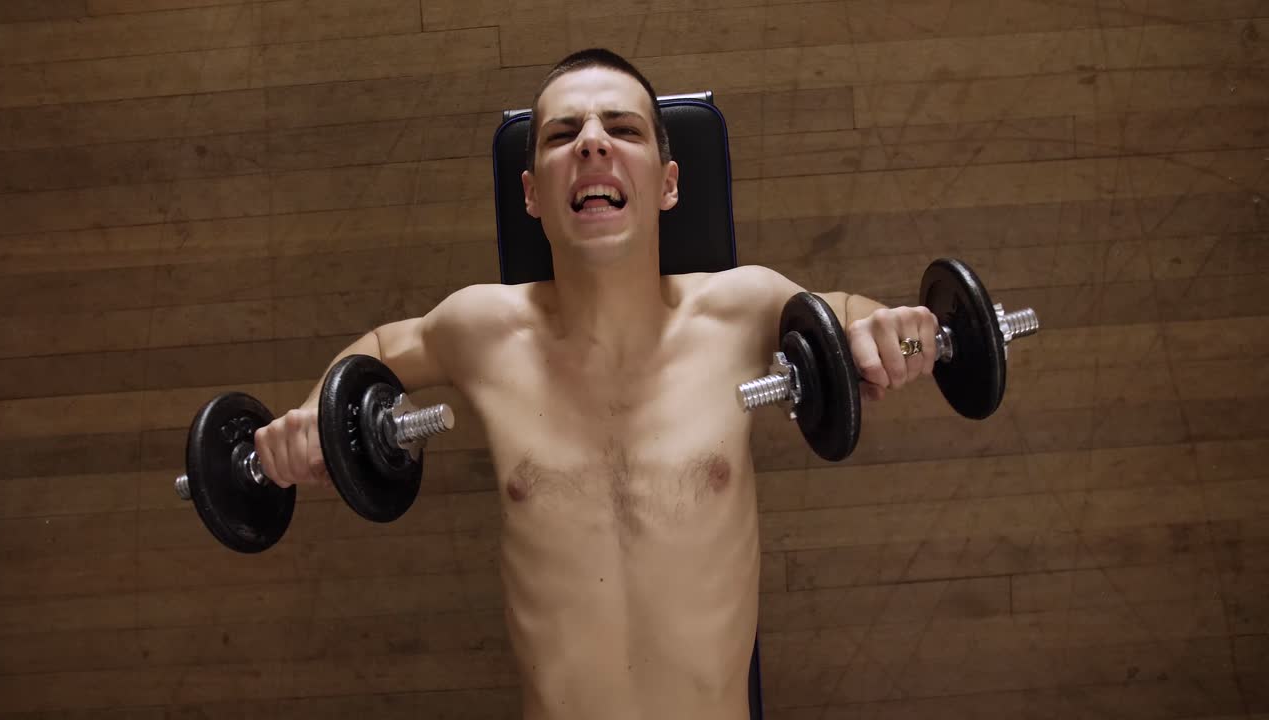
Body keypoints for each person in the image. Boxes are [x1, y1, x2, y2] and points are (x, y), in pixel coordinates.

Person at [254, 48, 940, 720]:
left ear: (668, 183)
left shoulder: (742, 309)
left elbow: (863, 321)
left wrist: (900, 339)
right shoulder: (483, 330)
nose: (591, 145)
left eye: (622, 128)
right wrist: (310, 423)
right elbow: (375, 355)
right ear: (531, 194)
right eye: (561, 135)